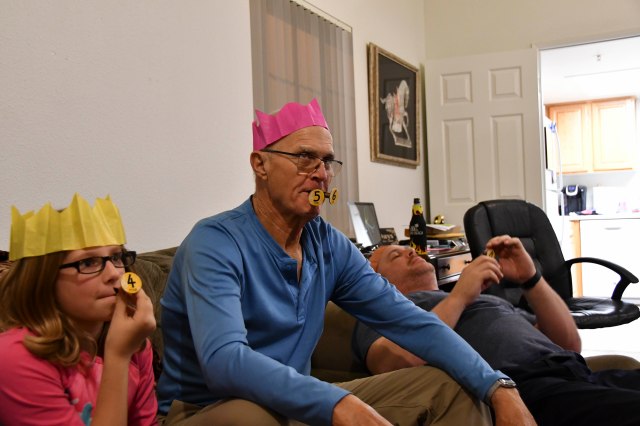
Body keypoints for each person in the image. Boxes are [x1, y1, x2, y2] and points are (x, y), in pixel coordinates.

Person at [156, 98, 535, 426]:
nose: (321, 173)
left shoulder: (328, 245)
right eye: (305, 157)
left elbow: (413, 323)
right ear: (260, 165)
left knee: (448, 387)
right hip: (207, 411)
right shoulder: (215, 242)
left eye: (327, 161)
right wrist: (336, 402)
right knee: (253, 416)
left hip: (290, 404)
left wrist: (498, 386)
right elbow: (224, 362)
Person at [354, 236, 640, 426]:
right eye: (396, 254)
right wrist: (461, 296)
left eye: (407, 248)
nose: (410, 251)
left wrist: (531, 278)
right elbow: (391, 363)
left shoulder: (484, 300)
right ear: (375, 277)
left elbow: (569, 342)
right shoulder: (384, 311)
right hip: (524, 389)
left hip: (575, 373)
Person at [0, 194, 157, 426]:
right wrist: (118, 356)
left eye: (116, 257)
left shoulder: (136, 344)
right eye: (88, 262)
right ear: (44, 280)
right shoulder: (13, 358)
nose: (114, 273)